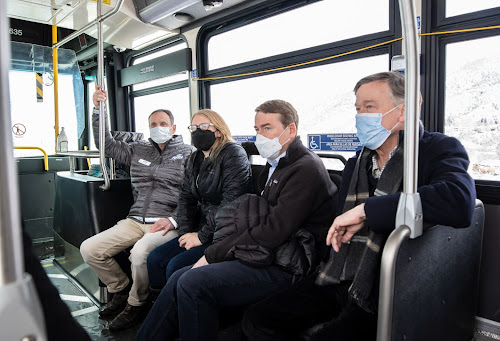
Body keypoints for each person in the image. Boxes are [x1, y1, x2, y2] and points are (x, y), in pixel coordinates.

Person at [242, 71, 477, 341]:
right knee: (258, 320)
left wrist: (368, 211)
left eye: (369, 108)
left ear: (404, 111)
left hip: (389, 283)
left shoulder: (435, 150)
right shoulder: (357, 164)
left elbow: (459, 201)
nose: (360, 116)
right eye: (357, 108)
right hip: (341, 270)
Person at [135, 99, 338, 341]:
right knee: (180, 276)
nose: (260, 135)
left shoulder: (305, 168)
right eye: (256, 129)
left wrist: (214, 253)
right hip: (268, 253)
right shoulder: (276, 166)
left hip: (289, 264)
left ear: (290, 130)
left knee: (192, 282)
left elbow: (273, 230)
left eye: (267, 128)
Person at [80, 86, 194, 331]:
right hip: (134, 219)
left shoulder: (188, 154)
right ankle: (119, 289)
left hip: (165, 221)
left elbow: (193, 196)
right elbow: (106, 145)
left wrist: (174, 219)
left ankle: (136, 303)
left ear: (174, 128)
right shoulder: (137, 149)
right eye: (153, 123)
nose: (158, 127)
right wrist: (99, 109)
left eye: (163, 123)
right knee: (90, 249)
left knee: (140, 253)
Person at [146, 109, 251, 289]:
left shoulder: (233, 154)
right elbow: (186, 196)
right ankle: (161, 308)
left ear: (217, 130)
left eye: (203, 126)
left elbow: (231, 203)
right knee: (155, 259)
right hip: (200, 226)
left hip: (224, 232)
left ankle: (176, 311)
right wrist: (185, 233)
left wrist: (201, 237)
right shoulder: (195, 158)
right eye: (193, 127)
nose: (197, 131)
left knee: (174, 266)